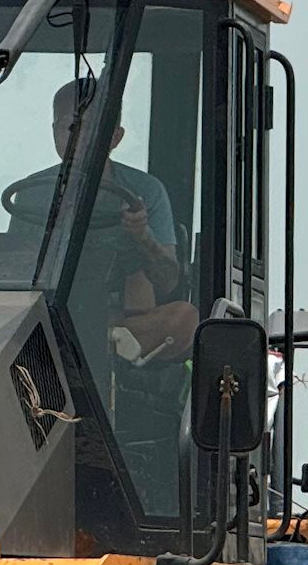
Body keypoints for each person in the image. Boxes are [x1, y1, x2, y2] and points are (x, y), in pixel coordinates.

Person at [18, 78, 197, 369]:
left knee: (184, 320)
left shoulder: (146, 192)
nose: (79, 136)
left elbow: (168, 280)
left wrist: (142, 236)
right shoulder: (31, 194)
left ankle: (94, 339)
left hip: (124, 319)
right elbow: (15, 273)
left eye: (92, 126)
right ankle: (79, 339)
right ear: (54, 131)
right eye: (69, 126)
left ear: (115, 136)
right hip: (46, 317)